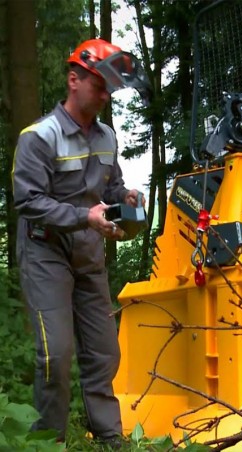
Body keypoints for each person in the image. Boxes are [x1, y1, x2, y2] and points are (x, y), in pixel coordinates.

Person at [12, 38, 148, 448]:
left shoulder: (107, 136)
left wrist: (126, 197)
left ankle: (109, 438)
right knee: (55, 354)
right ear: (74, 80)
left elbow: (113, 184)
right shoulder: (39, 136)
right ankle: (47, 442)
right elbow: (28, 201)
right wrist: (83, 216)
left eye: (110, 88)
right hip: (45, 251)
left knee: (105, 352)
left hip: (88, 251)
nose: (106, 95)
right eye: (99, 86)